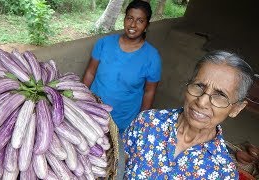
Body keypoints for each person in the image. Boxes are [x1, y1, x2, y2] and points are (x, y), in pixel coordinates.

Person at [122, 50, 254, 179]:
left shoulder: (223, 173)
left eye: (220, 95)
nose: (202, 102)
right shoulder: (147, 122)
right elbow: (116, 164)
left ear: (236, 108)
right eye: (199, 86)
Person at [82, 0, 162, 134]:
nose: (133, 25)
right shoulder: (104, 43)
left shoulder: (152, 57)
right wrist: (80, 100)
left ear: (147, 25)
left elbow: (149, 92)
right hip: (93, 113)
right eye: (129, 18)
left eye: (140, 20)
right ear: (124, 19)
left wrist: (140, 123)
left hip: (123, 120)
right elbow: (90, 73)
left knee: (113, 152)